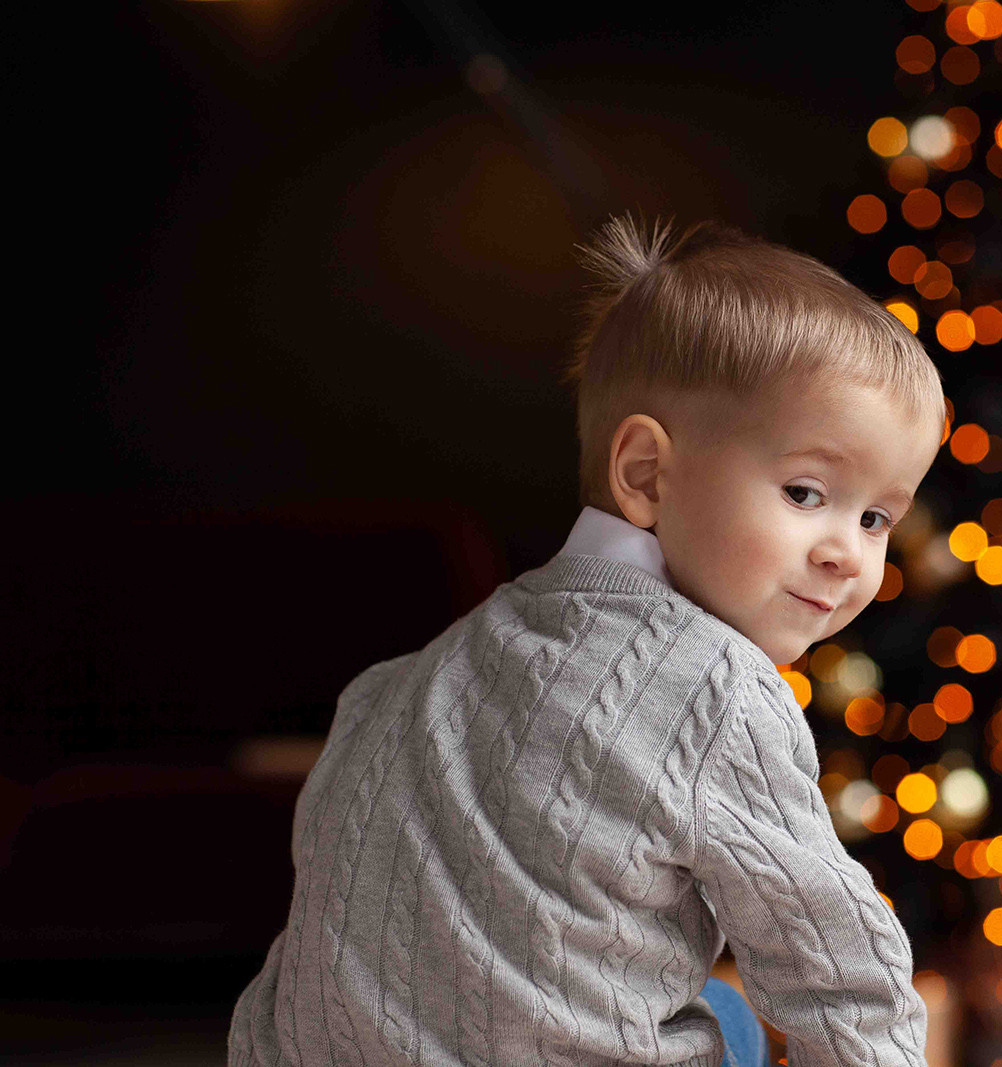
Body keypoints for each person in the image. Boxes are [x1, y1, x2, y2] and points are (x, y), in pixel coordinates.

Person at [227, 213, 948, 1067]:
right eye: (804, 491)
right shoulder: (718, 687)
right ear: (646, 473)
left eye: (876, 517)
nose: (846, 552)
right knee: (735, 1018)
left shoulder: (412, 676)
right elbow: (844, 979)